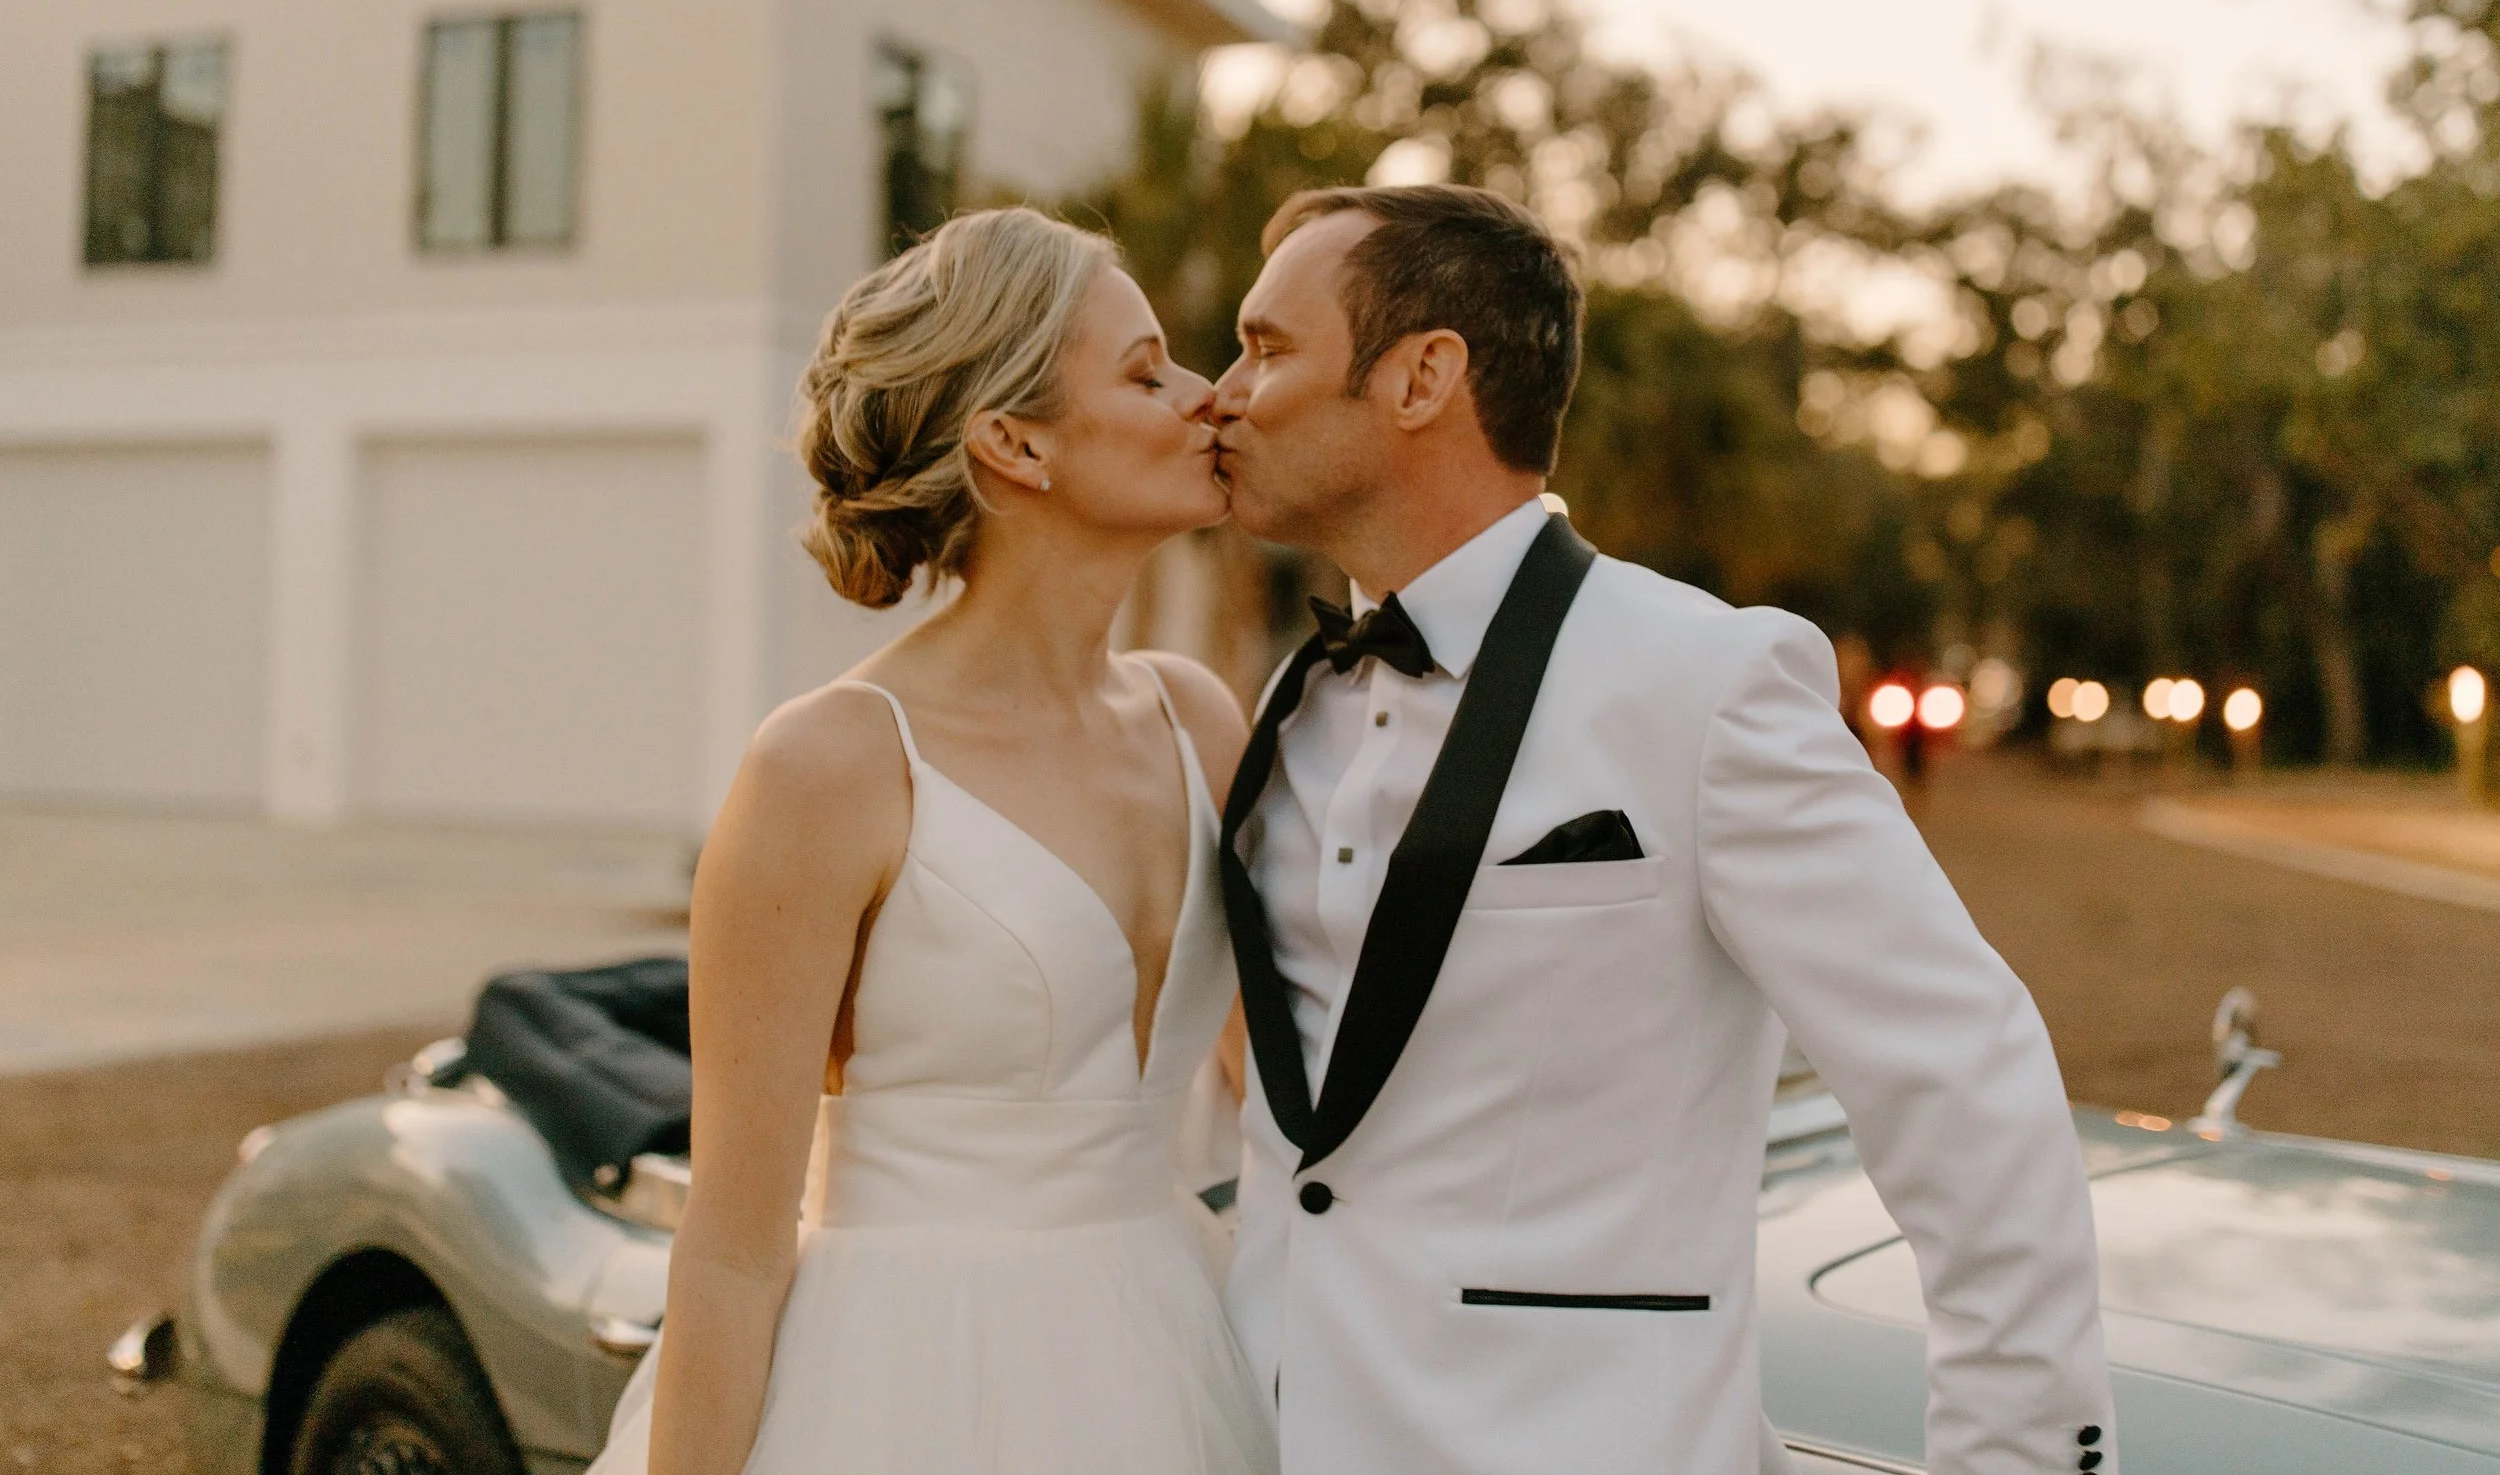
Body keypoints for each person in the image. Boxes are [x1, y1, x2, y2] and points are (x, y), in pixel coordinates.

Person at [1209, 184, 2116, 1475]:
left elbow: (1963, 1078)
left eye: (1265, 346)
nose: (1221, 391)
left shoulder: (1710, 682)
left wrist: (2019, 1460)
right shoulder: (1293, 707)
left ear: (1420, 377)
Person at [591, 207, 1276, 1475]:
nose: (1206, 399)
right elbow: (735, 1247)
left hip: (1174, 1344)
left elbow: (1287, 1098)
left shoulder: (1199, 719)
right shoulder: (831, 767)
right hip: (902, 1385)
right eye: (1143, 373)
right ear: (1015, 444)